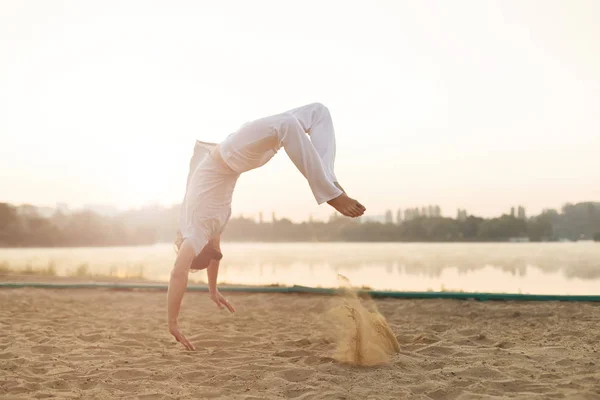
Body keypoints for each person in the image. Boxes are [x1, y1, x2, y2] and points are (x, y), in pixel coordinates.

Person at [168, 103, 366, 350]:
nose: (180, 247)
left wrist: (212, 289)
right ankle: (329, 191)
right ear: (197, 249)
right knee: (287, 125)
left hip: (242, 152)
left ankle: (328, 178)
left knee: (318, 113)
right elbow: (179, 272)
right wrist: (173, 321)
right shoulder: (197, 234)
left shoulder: (204, 230)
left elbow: (213, 255)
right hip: (234, 154)